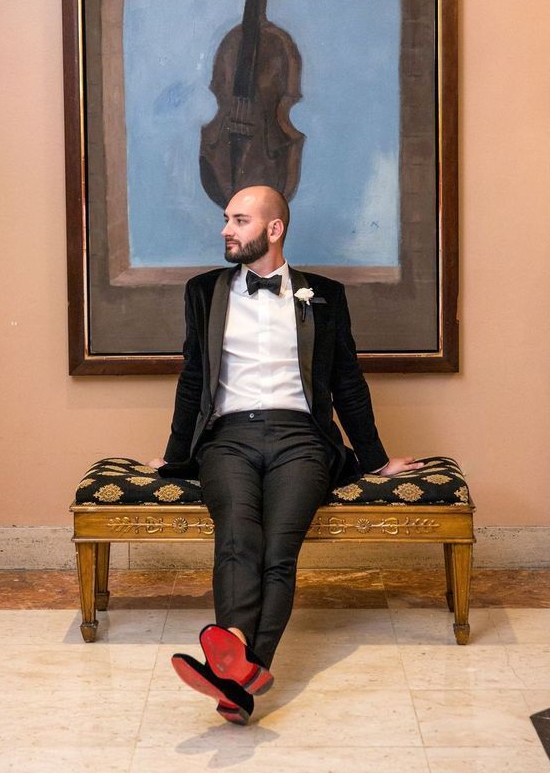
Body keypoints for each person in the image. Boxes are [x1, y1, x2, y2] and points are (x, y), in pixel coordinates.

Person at [147, 185, 423, 724]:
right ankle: (241, 676)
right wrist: (175, 455)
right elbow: (193, 379)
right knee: (237, 537)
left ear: (274, 230)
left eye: (240, 220)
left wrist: (375, 460)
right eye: (226, 219)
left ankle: (236, 668)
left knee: (279, 548)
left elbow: (346, 380)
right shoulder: (204, 292)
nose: (226, 229)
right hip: (228, 438)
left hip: (303, 438)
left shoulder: (324, 294)